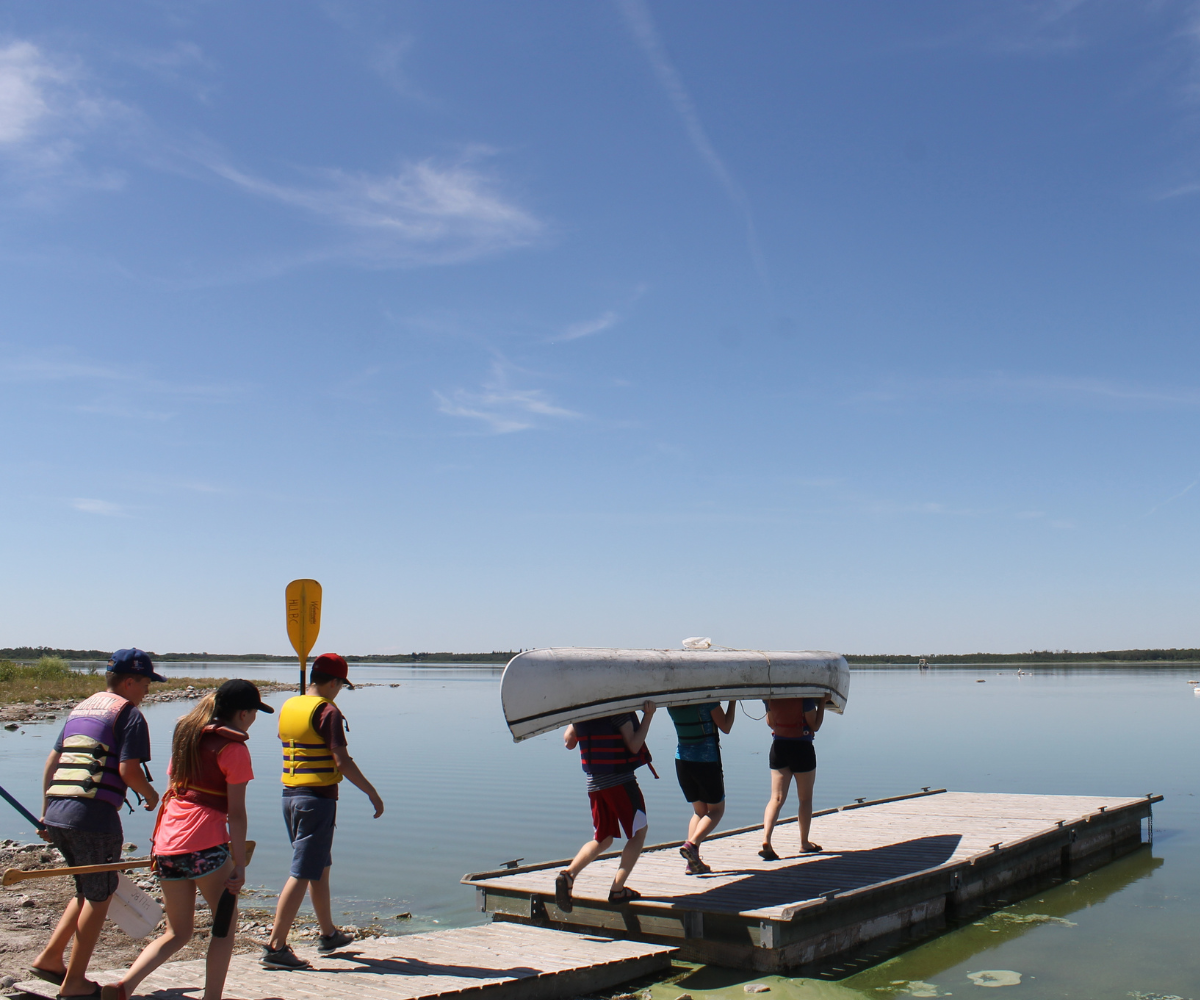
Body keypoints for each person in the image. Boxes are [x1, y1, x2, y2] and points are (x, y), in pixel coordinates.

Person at [101, 680, 272, 1000]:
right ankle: (212, 997)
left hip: (167, 843)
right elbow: (236, 814)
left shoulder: (188, 737)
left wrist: (157, 846)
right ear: (243, 713)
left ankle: (124, 986)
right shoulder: (234, 749)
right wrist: (239, 865)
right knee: (224, 926)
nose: (253, 719)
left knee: (177, 932)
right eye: (254, 713)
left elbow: (172, 792)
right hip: (204, 845)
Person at [32, 649, 162, 998]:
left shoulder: (82, 708)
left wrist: (45, 811)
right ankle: (75, 982)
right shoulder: (129, 715)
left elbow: (53, 761)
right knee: (99, 896)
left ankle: (50, 959)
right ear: (129, 681)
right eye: (146, 682)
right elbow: (128, 770)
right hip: (93, 818)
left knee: (86, 888)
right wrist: (152, 796)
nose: (148, 690)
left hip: (59, 813)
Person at [261, 653, 384, 970]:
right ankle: (276, 946)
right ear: (333, 682)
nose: (340, 690)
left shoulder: (290, 706)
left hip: (290, 796)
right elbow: (342, 761)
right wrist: (372, 793)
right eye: (341, 684)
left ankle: (328, 934)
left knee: (319, 866)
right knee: (303, 871)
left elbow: (287, 739)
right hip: (316, 800)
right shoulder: (327, 711)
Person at [554, 701, 656, 912]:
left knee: (603, 838)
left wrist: (575, 719)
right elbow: (634, 745)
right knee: (639, 832)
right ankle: (617, 889)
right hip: (619, 780)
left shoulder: (582, 712)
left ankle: (568, 875)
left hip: (594, 784)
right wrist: (648, 716)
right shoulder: (616, 707)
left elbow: (569, 742)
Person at [759, 695, 834, 860]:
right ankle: (804, 843)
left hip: (779, 748)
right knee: (805, 799)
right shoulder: (804, 698)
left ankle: (766, 839)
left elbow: (771, 723)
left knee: (776, 798)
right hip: (802, 748)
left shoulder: (771, 697)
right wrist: (823, 702)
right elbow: (815, 725)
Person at [666, 701, 735, 875]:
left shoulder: (671, 705)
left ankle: (692, 863)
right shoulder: (708, 702)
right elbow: (726, 726)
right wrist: (733, 701)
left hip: (682, 761)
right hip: (706, 761)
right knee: (716, 810)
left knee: (699, 811)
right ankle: (692, 844)